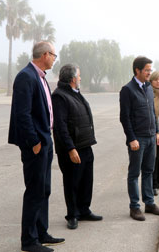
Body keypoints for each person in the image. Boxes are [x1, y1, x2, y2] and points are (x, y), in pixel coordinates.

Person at [8, 41, 65, 252]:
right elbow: (22, 114)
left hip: (45, 140)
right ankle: (29, 241)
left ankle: (42, 232)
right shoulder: (26, 77)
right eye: (53, 55)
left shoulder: (40, 77)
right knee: (34, 190)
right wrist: (34, 142)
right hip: (36, 143)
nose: (54, 59)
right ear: (45, 55)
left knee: (45, 189)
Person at [52, 64, 103, 230]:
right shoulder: (60, 96)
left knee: (87, 181)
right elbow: (60, 126)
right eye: (79, 76)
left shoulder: (76, 93)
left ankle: (84, 210)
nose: (80, 78)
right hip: (72, 149)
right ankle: (72, 214)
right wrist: (70, 148)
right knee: (72, 182)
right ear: (73, 79)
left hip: (85, 145)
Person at [119, 56, 159, 221]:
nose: (149, 73)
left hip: (151, 137)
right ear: (137, 70)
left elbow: (153, 112)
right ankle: (134, 207)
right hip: (137, 139)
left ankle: (149, 203)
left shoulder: (148, 88)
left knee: (148, 171)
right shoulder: (127, 90)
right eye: (147, 70)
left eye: (150, 70)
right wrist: (131, 138)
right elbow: (125, 117)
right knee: (134, 173)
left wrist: (157, 132)